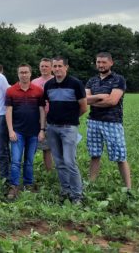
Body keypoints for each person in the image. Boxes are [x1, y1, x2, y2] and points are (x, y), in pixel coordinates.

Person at [42, 56, 87, 205]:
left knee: (70, 161)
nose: (57, 69)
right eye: (54, 66)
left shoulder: (76, 84)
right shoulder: (49, 85)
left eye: (60, 66)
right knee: (60, 162)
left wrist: (71, 119)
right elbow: (46, 105)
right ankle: (65, 189)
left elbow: (83, 107)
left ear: (66, 67)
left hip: (69, 128)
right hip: (52, 127)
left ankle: (77, 195)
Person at [85, 52, 132, 191]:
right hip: (93, 121)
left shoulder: (118, 79)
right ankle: (91, 184)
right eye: (98, 62)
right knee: (94, 155)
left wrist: (94, 101)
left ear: (111, 63)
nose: (101, 65)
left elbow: (113, 101)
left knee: (120, 156)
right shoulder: (92, 81)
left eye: (104, 62)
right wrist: (100, 97)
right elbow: (84, 100)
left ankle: (128, 188)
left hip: (112, 122)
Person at [5, 64, 46, 200]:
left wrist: (42, 130)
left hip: (34, 132)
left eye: (26, 72)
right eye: (21, 72)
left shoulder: (38, 91)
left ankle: (28, 184)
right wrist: (10, 130)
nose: (24, 75)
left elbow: (41, 111)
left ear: (30, 73)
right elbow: (9, 111)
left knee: (29, 160)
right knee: (16, 160)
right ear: (18, 74)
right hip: (17, 132)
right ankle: (14, 186)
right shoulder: (11, 91)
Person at [31, 58, 54, 171]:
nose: (44, 68)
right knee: (42, 146)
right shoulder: (34, 82)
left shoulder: (56, 80)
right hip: (38, 118)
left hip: (54, 117)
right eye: (42, 66)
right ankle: (44, 170)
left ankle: (54, 171)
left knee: (53, 147)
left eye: (46, 66)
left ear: (51, 67)